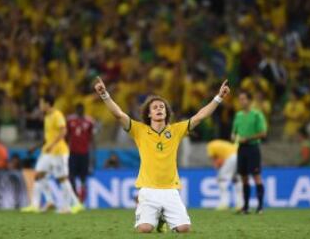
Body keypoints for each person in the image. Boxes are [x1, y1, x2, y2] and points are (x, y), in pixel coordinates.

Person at [94, 76, 230, 233]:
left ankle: (163, 217)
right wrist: (105, 94)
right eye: (155, 107)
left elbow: (200, 116)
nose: (159, 109)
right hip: (148, 190)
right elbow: (119, 114)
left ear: (166, 113)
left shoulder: (176, 130)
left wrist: (219, 97)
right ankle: (155, 216)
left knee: (184, 229)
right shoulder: (139, 131)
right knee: (144, 229)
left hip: (170, 190)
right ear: (149, 114)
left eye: (162, 107)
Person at [21, 95, 83, 213]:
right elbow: (47, 137)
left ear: (47, 104)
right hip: (48, 152)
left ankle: (71, 205)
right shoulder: (47, 117)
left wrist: (52, 145)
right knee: (38, 175)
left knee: (62, 179)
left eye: (41, 103)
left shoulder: (57, 115)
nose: (40, 106)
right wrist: (35, 147)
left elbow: (63, 131)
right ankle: (39, 204)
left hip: (59, 152)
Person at [231, 90, 267, 214]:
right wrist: (233, 136)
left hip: (253, 148)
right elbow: (234, 132)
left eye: (244, 99)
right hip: (241, 149)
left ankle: (260, 207)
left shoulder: (257, 115)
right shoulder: (238, 115)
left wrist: (248, 138)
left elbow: (263, 133)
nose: (241, 101)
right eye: (240, 99)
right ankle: (245, 207)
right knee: (244, 177)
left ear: (250, 100)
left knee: (256, 176)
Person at [67, 103, 94, 202]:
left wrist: (93, 155)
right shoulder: (70, 121)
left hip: (84, 153)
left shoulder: (89, 121)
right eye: (78, 109)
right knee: (71, 176)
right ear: (76, 110)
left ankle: (81, 198)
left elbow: (92, 139)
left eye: (81, 109)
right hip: (73, 153)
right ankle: (75, 195)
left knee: (83, 177)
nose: (80, 111)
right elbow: (66, 136)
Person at [207, 139, 243, 210]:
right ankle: (240, 204)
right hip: (240, 156)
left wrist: (218, 169)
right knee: (237, 180)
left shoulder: (210, 146)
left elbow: (217, 160)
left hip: (231, 158)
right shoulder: (222, 144)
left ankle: (224, 203)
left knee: (222, 180)